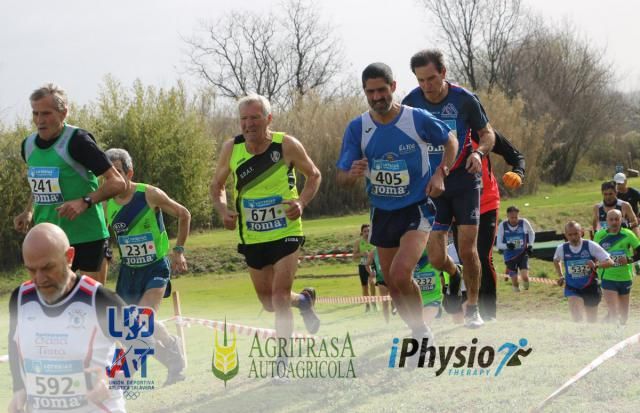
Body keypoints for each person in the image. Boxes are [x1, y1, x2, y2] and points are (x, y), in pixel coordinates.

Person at [336, 62, 457, 339]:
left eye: (382, 90)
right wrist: (351, 173)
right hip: (382, 212)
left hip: (416, 208)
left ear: (393, 87)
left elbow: (450, 141)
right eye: (370, 92)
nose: (377, 97)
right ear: (365, 93)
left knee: (402, 273)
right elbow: (341, 176)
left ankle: (422, 332)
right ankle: (417, 329)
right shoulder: (358, 128)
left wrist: (441, 173)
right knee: (391, 282)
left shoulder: (416, 119)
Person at [210, 94, 322, 345]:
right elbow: (217, 185)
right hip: (252, 235)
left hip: (286, 230)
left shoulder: (286, 145)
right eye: (244, 119)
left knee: (280, 297)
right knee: (269, 302)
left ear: (268, 119)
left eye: (255, 118)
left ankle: (282, 360)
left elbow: (314, 175)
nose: (249, 124)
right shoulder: (232, 148)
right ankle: (304, 301)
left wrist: (301, 202)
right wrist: (223, 209)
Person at [402, 49, 496, 328]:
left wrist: (478, 154)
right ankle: (453, 275)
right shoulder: (411, 103)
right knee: (435, 257)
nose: (427, 86)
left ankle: (472, 308)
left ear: (443, 73)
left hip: (465, 181)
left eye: (431, 78)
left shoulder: (464, 99)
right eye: (421, 80)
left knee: (468, 250)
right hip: (433, 185)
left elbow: (488, 133)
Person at [14, 83, 126, 284]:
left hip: (86, 237)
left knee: (91, 305)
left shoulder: (78, 141)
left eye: (46, 113)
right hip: (50, 241)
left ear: (63, 113)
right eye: (35, 114)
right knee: (53, 306)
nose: (40, 120)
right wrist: (28, 211)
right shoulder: (28, 145)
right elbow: (39, 181)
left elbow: (117, 183)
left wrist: (84, 201)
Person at [8, 223, 127, 413]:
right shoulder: (21, 299)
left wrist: (113, 379)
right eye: (31, 269)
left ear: (69, 256)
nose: (39, 278)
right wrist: (19, 388)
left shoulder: (101, 299)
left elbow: (143, 343)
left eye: (48, 267)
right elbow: (14, 344)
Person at [104, 148, 189, 385]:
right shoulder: (105, 203)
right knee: (136, 329)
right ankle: (173, 353)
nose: (112, 179)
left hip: (155, 268)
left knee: (140, 322)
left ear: (130, 173)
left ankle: (122, 378)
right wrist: (107, 252)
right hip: (128, 273)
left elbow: (184, 214)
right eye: (107, 175)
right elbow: (104, 235)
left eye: (118, 172)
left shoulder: (149, 194)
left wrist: (179, 251)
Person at [554, 221, 614, 323]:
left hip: (590, 286)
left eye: (576, 233)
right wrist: (561, 275)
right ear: (565, 235)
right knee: (577, 317)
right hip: (572, 288)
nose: (573, 237)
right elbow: (556, 260)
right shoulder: (562, 248)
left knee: (591, 321)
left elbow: (610, 262)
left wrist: (596, 265)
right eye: (570, 235)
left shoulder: (591, 245)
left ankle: (591, 336)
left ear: (581, 232)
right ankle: (579, 337)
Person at [593, 209, 640, 326]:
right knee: (614, 310)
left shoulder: (628, 234)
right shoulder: (599, 235)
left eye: (617, 219)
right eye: (611, 219)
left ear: (621, 219)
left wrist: (629, 260)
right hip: (607, 276)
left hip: (625, 276)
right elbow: (593, 254)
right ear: (606, 221)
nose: (614, 222)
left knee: (624, 315)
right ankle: (613, 333)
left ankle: (616, 328)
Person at [496, 206, 535, 292]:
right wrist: (507, 246)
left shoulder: (524, 222)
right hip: (510, 256)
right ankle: (516, 290)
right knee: (515, 280)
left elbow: (531, 233)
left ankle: (526, 289)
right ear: (507, 216)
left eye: (516, 217)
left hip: (522, 253)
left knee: (525, 276)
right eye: (511, 217)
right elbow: (498, 244)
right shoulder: (503, 225)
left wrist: (531, 245)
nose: (514, 220)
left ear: (518, 215)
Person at [413, 249, 447, 325]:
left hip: (432, 298)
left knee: (424, 323)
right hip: (414, 301)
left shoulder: (436, 255)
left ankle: (424, 329)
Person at [353, 224, 376, 312]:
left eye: (368, 231)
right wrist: (362, 254)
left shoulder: (374, 241)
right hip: (362, 265)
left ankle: (374, 303)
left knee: (372, 283)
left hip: (373, 265)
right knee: (365, 286)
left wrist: (372, 255)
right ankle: (367, 305)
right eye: (365, 231)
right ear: (361, 233)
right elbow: (354, 256)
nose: (367, 233)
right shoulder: (358, 242)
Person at [367, 247, 393, 323]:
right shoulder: (374, 251)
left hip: (392, 279)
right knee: (385, 303)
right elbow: (367, 264)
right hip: (381, 279)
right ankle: (387, 322)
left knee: (394, 301)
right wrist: (371, 272)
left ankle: (394, 309)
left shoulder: (392, 247)